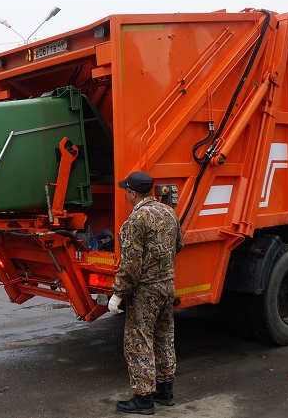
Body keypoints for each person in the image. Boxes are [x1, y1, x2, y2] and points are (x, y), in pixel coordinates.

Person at [108, 171, 184, 414]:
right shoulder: (169, 212)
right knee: (164, 337)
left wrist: (118, 293)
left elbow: (130, 264)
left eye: (126, 191)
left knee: (139, 340)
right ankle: (165, 391)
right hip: (167, 285)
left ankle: (143, 399)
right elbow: (179, 245)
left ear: (132, 193)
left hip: (145, 291)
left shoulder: (136, 219)